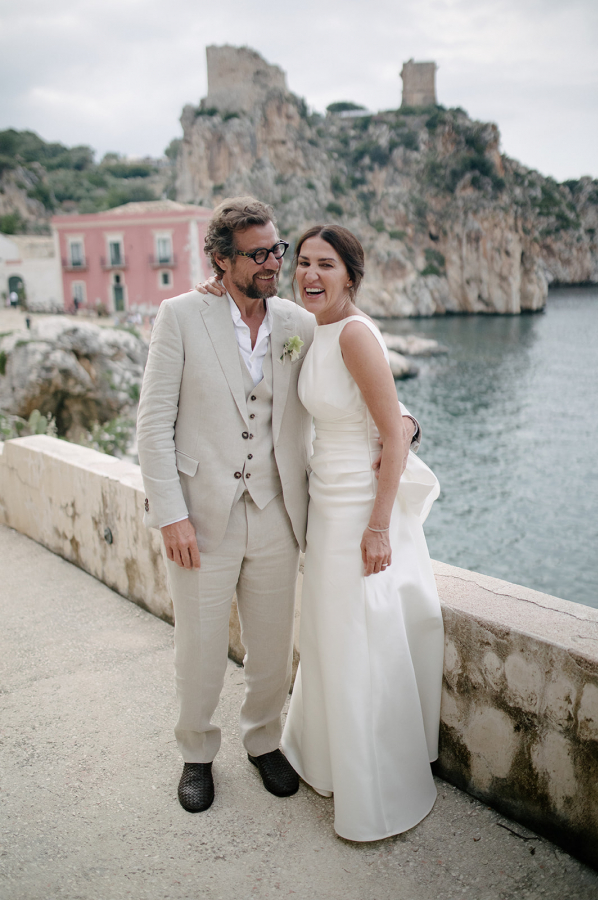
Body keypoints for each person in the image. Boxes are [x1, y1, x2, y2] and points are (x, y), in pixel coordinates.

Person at [137, 197, 417, 814]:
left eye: (277, 249)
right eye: (258, 253)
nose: (274, 263)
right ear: (221, 260)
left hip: (279, 510)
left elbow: (354, 383)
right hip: (201, 515)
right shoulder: (180, 316)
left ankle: (264, 741)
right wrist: (170, 513)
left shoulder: (297, 321)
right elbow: (153, 424)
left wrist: (401, 423)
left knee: (270, 648)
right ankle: (196, 754)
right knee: (200, 647)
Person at [280, 225, 444, 842]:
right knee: (329, 637)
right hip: (325, 505)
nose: (310, 274)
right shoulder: (310, 329)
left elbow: (393, 429)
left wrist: (379, 528)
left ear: (351, 274)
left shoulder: (352, 333)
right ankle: (327, 760)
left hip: (358, 511)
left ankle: (374, 785)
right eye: (303, 263)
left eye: (326, 264)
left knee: (357, 639)